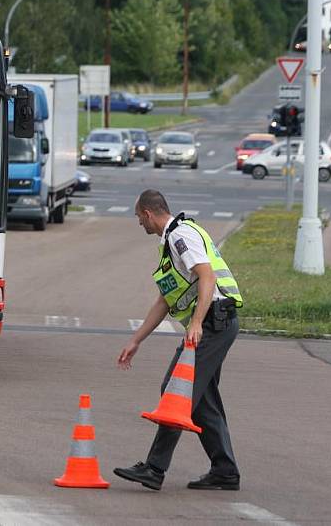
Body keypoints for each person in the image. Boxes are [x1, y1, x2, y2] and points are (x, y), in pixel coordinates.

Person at [113, 189, 244, 492]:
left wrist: (196, 322)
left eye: (138, 218)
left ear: (148, 213)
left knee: (176, 391)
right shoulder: (170, 243)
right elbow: (165, 300)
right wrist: (136, 340)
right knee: (200, 401)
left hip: (213, 322)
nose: (139, 224)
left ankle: (155, 468)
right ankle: (225, 470)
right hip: (215, 323)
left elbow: (207, 276)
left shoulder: (180, 237)